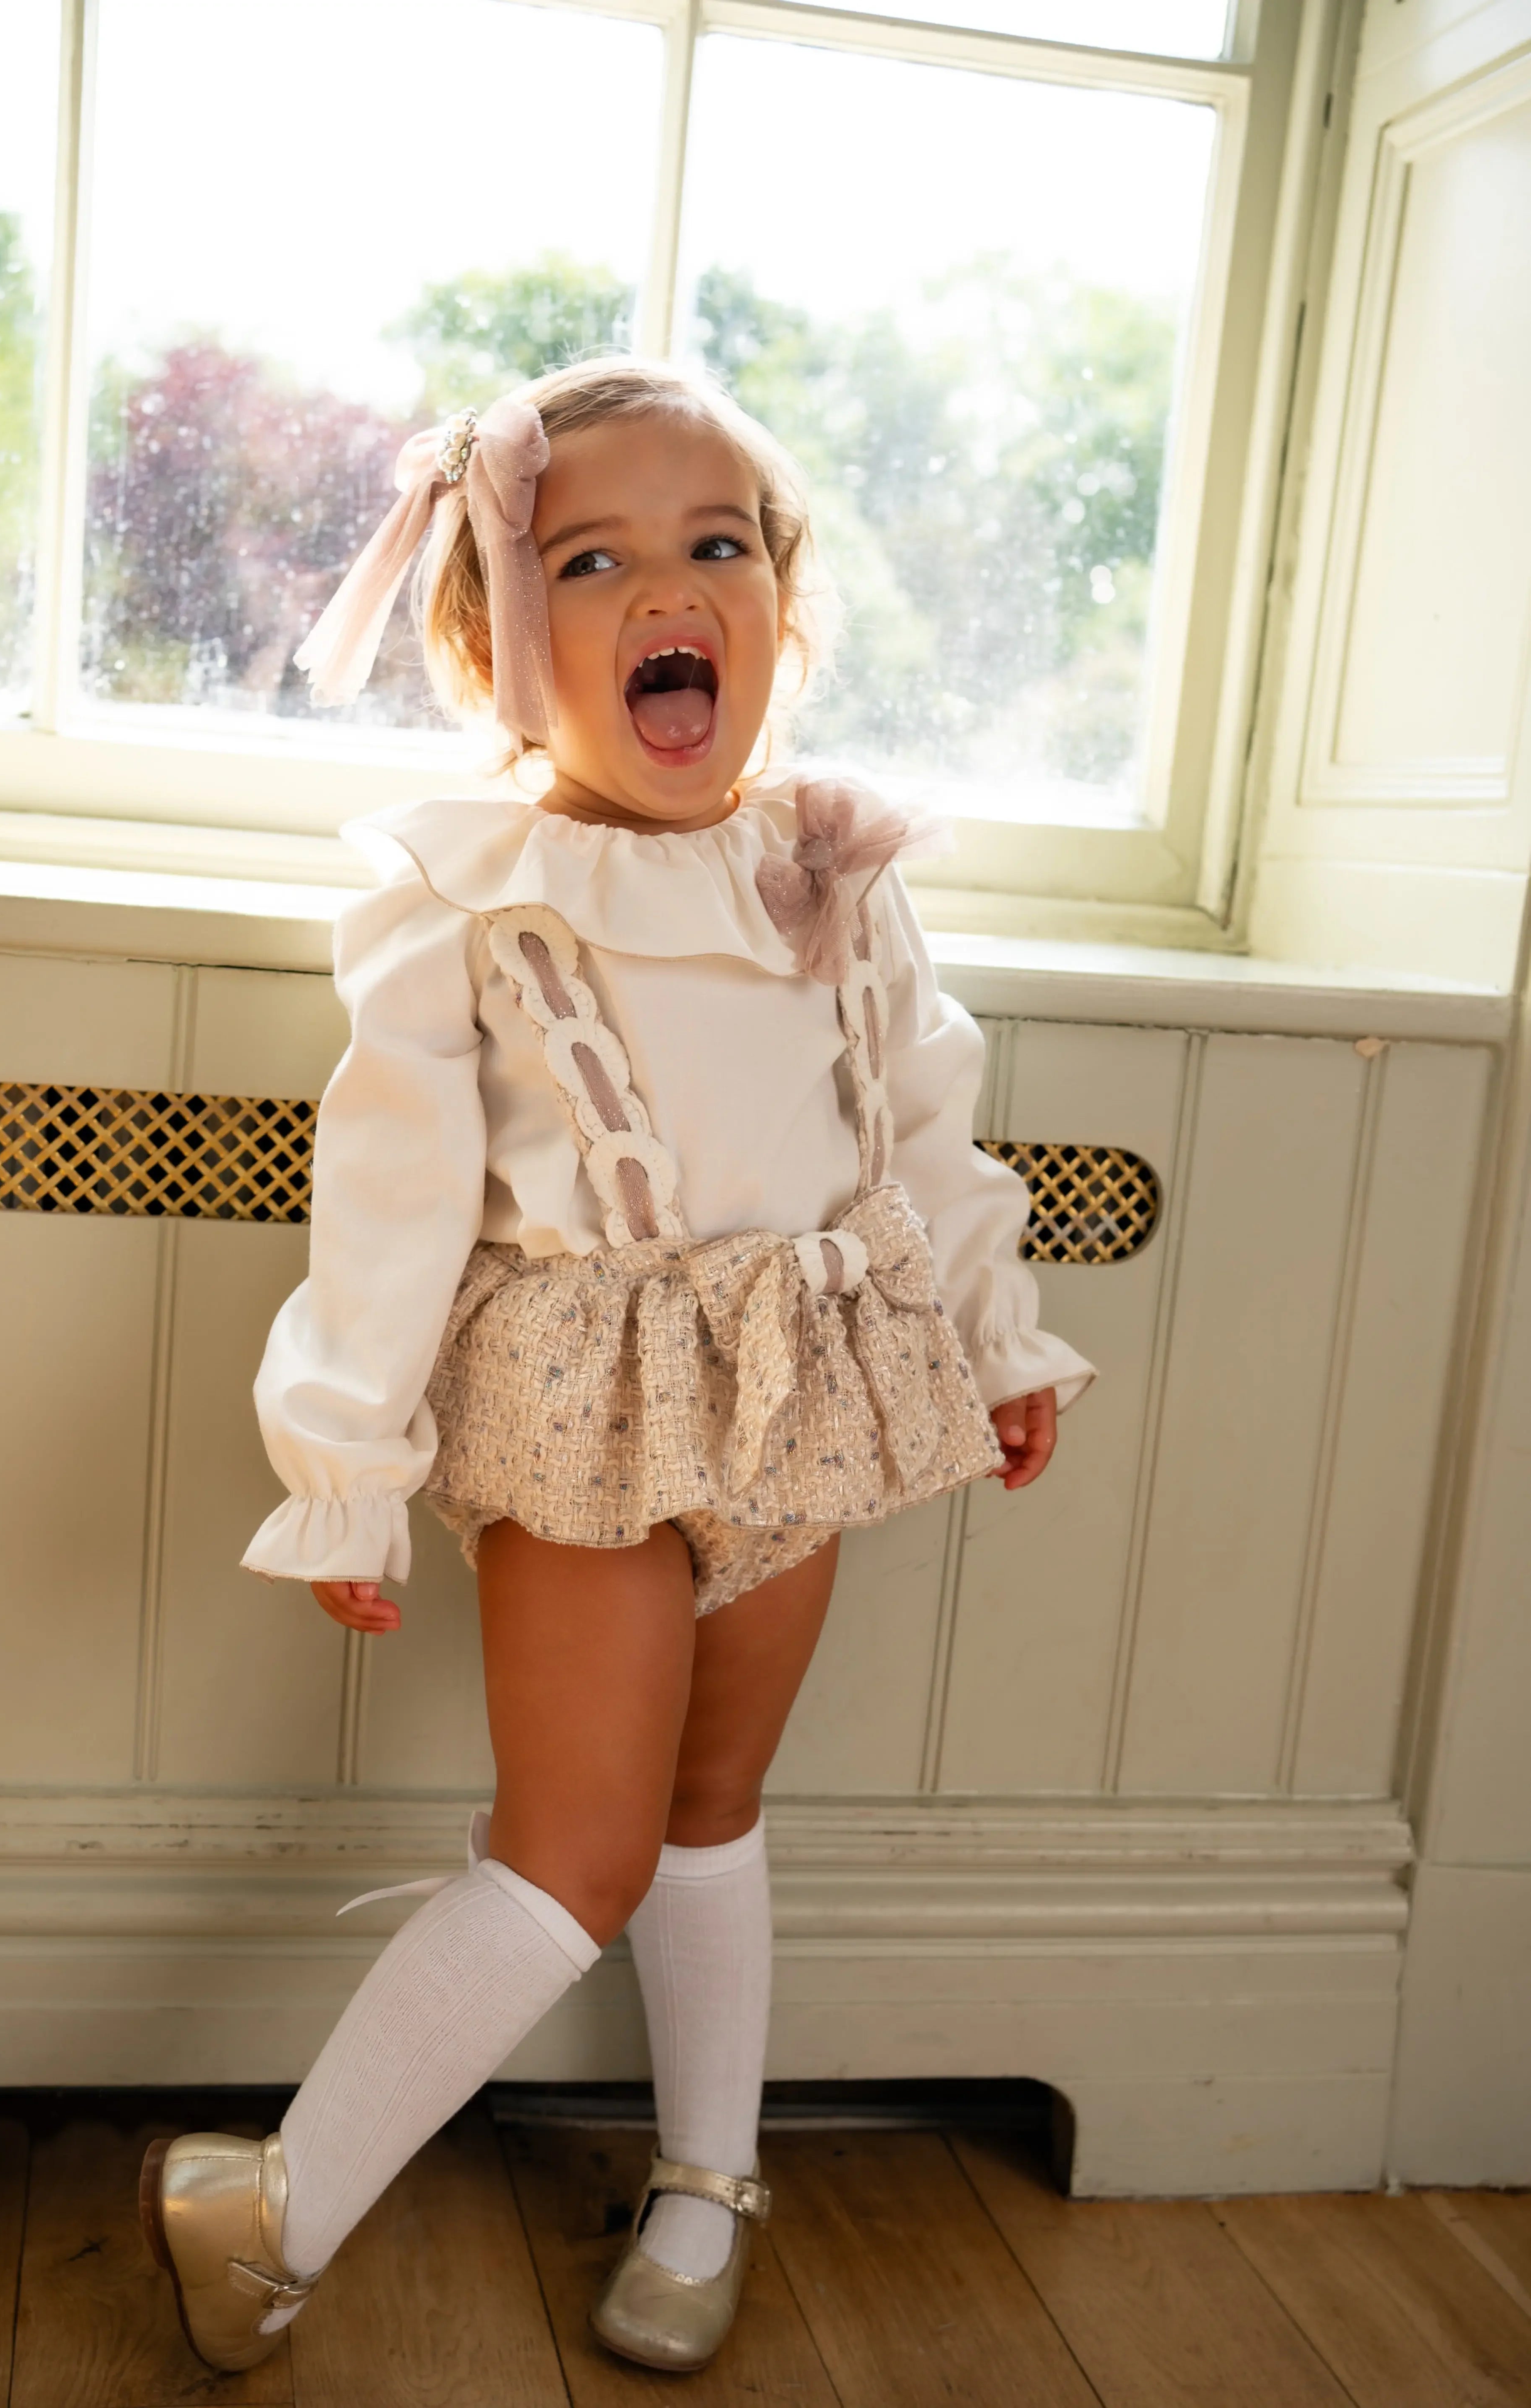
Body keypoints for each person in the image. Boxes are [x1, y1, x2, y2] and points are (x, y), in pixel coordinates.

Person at [139, 357, 1094, 2376]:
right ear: (496, 644)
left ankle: (704, 2182)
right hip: (579, 1404)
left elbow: (927, 1129)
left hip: (810, 1381)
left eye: (713, 544)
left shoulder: (834, 865)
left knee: (711, 1805)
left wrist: (998, 1335)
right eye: (589, 561)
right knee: (577, 1850)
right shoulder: (468, 896)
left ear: (774, 609)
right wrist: (343, 1462)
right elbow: (386, 1199)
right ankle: (275, 2208)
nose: (667, 585)